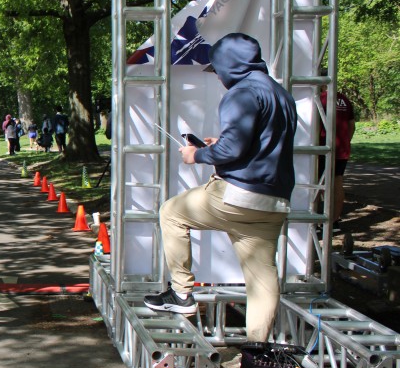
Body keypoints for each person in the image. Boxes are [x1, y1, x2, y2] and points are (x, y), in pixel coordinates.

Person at [143, 32, 297, 344]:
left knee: (171, 212)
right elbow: (256, 144)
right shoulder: (281, 95)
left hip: (237, 195)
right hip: (274, 201)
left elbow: (233, 150)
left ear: (229, 65)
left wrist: (197, 154)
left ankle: (181, 293)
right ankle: (257, 349)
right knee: (262, 280)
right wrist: (218, 144)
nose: (219, 77)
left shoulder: (242, 93)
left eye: (218, 70)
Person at [319, 86, 356, 225]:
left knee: (318, 183)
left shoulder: (319, 98)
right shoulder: (344, 99)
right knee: (337, 181)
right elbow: (351, 124)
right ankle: (334, 220)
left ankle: (317, 220)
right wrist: (346, 142)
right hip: (341, 149)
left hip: (322, 147)